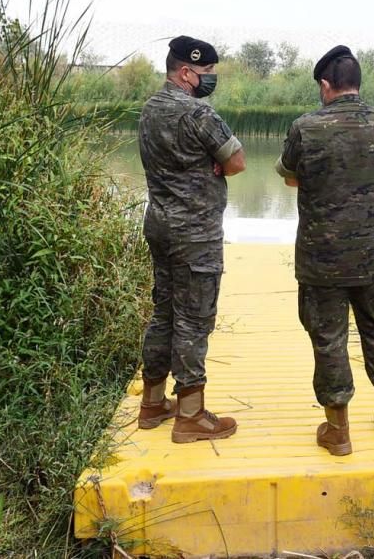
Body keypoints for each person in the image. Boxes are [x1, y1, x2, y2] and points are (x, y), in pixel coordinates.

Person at [275, 46, 374, 456]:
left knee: (329, 338)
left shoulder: (306, 127)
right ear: (358, 83)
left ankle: (338, 431)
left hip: (321, 259)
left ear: (325, 85)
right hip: (373, 253)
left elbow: (291, 178)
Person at [137, 35, 246, 443]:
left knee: (164, 312)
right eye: (206, 74)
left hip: (159, 225)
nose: (209, 81)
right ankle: (191, 415)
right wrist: (212, 167)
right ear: (186, 72)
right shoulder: (198, 113)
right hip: (195, 233)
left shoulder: (149, 109)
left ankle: (152, 402)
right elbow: (236, 161)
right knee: (194, 318)